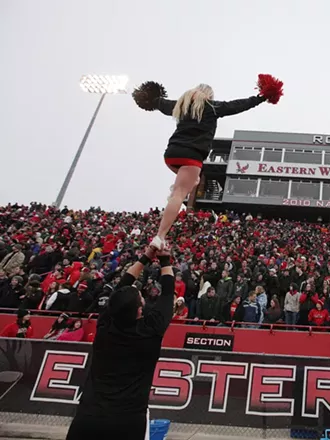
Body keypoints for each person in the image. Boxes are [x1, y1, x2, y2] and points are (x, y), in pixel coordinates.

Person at [132, 75, 283, 251]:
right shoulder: (212, 107)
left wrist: (149, 96)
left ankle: (179, 189)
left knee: (193, 182)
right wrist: (261, 97)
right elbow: (237, 105)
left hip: (171, 155)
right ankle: (159, 236)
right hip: (192, 157)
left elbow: (157, 102)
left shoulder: (180, 105)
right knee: (179, 195)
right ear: (209, 96)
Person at [66, 246, 173, 440]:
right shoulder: (150, 332)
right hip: (128, 422)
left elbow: (121, 286)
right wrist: (165, 260)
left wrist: (145, 258)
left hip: (88, 418)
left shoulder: (105, 325)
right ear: (140, 311)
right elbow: (167, 295)